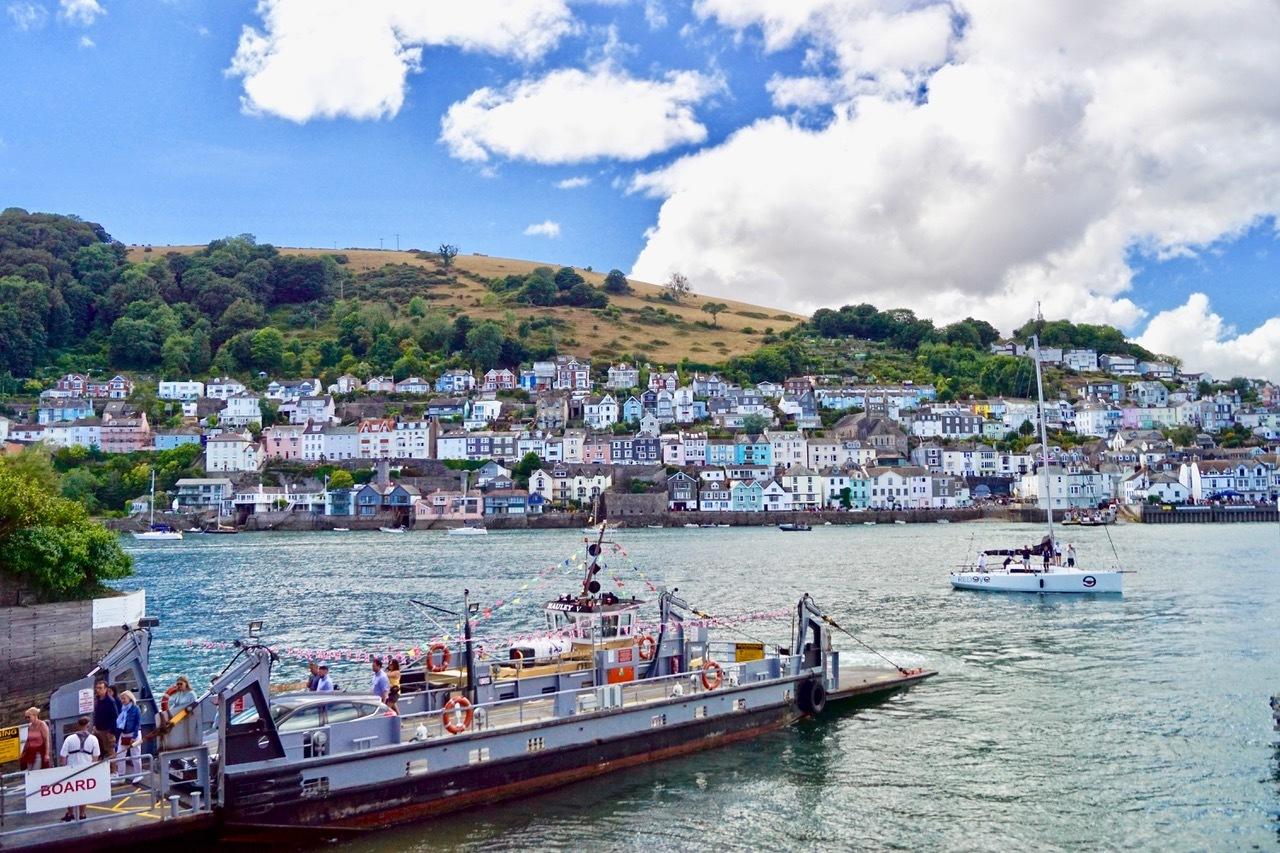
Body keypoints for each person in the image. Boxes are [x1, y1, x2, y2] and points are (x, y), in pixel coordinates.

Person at [59, 717, 101, 821]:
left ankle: (70, 813)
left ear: (77, 725)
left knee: (70, 791)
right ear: (88, 725)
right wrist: (92, 768)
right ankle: (82, 814)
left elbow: (63, 756)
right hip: (85, 768)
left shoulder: (69, 738)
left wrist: (64, 769)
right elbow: (96, 756)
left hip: (71, 768)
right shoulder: (93, 739)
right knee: (84, 792)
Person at [115, 690, 142, 781]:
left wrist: (134, 737)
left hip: (134, 734)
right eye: (121, 699)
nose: (122, 700)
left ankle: (138, 774)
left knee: (136, 755)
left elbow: (137, 724)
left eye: (124, 698)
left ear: (130, 698)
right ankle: (121, 774)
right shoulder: (122, 709)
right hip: (124, 734)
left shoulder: (136, 708)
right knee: (120, 754)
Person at [91, 679, 120, 761]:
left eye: (100, 688)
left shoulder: (110, 701)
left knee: (111, 750)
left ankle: (114, 771)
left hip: (108, 730)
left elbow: (115, 716)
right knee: (99, 749)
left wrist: (111, 731)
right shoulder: (97, 700)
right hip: (98, 729)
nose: (98, 690)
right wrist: (95, 725)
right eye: (97, 688)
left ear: (106, 689)